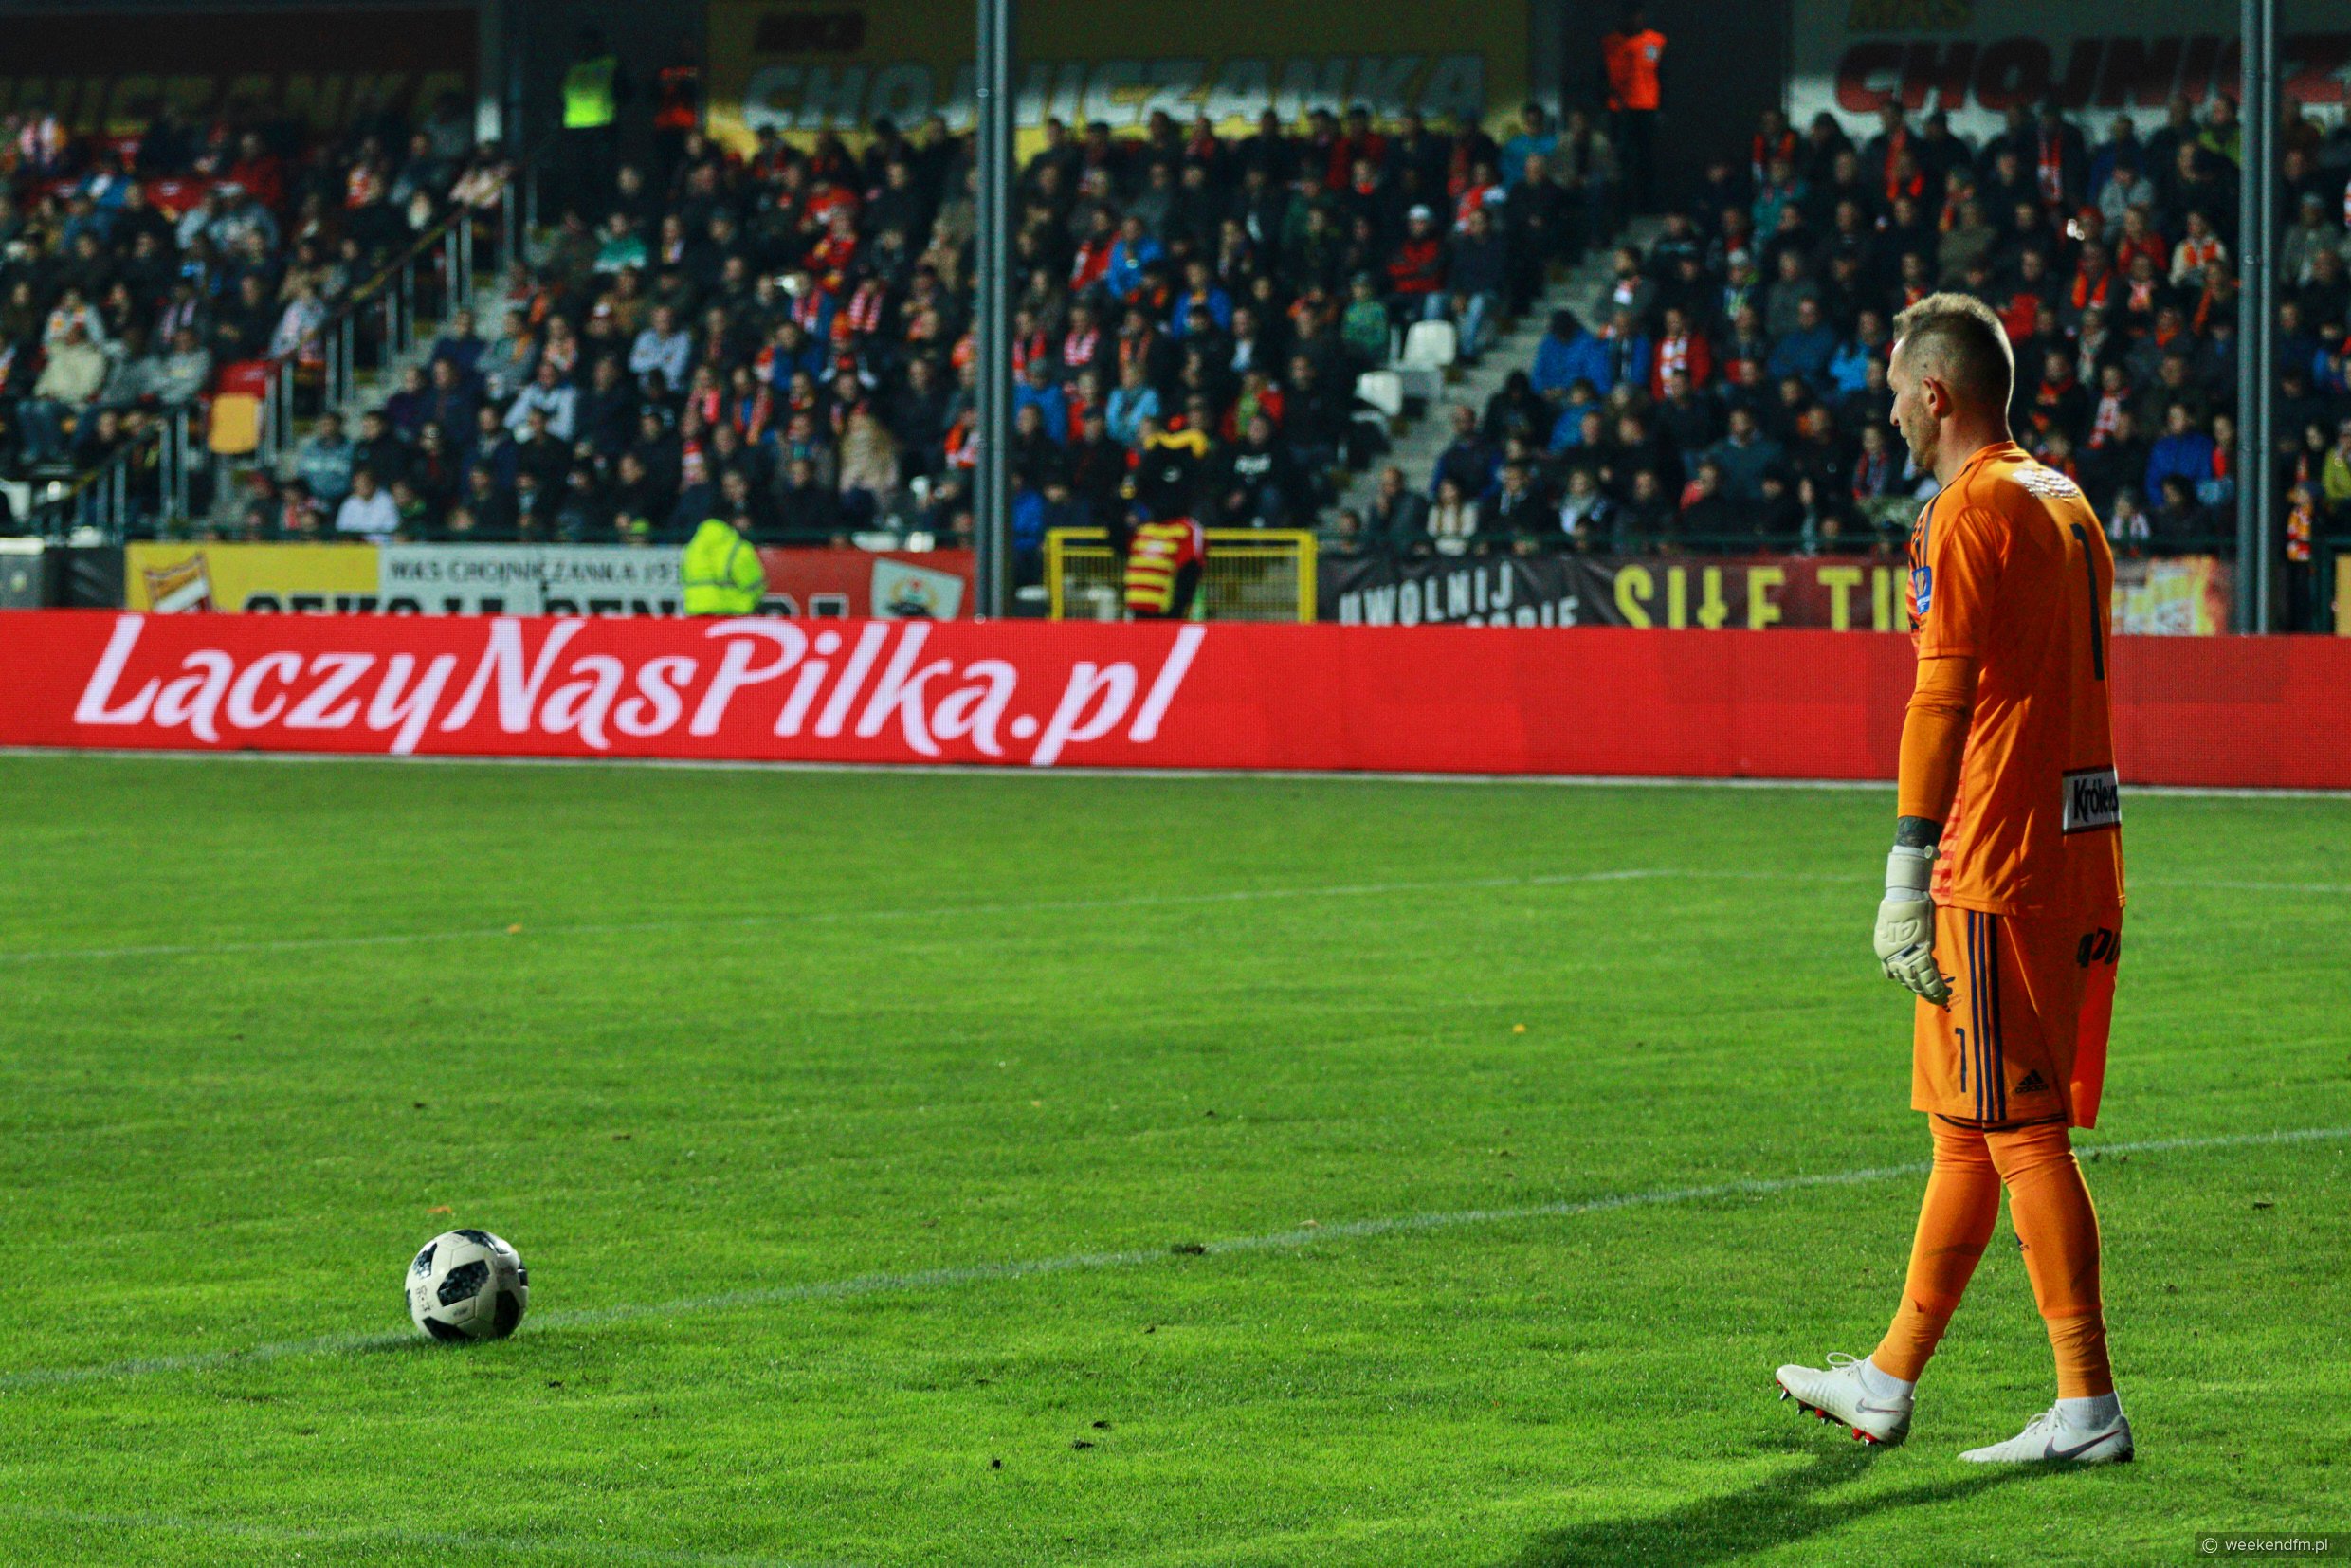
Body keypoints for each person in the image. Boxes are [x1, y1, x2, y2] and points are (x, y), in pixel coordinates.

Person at [1777, 293, 2130, 1466]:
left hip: (1998, 858)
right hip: (2076, 844)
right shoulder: (2062, 496)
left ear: (1933, 392)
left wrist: (1904, 871)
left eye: (1893, 390)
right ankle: (1884, 1380)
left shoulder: (1965, 508)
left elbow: (1941, 697)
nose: (1885, 411)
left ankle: (2085, 1405)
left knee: (2018, 1128)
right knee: (1965, 1128)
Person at [1600, 4, 1666, 212]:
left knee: (1646, 160)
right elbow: (1601, 77)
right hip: (1619, 110)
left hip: (1647, 109)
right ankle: (1621, 207)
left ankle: (1647, 206)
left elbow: (1664, 75)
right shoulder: (1610, 43)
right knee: (1620, 160)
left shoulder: (1656, 41)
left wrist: (1662, 108)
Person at [680, 512, 766, 615]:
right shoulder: (737, 548)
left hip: (695, 614)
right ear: (730, 522)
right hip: (731, 614)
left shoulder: (691, 548)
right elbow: (754, 586)